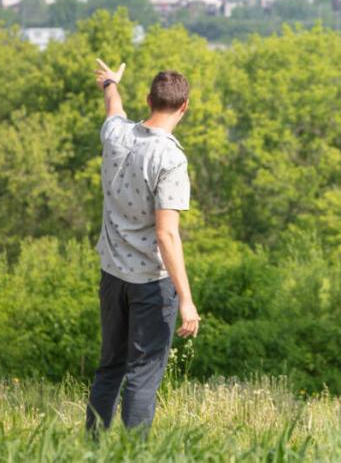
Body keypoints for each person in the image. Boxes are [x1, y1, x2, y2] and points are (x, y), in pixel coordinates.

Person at [86, 59, 201, 434]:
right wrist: (185, 298)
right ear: (184, 106)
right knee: (143, 374)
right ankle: (135, 453)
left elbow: (114, 110)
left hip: (112, 274)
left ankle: (91, 449)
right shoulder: (170, 158)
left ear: (148, 98)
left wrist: (110, 84)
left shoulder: (117, 135)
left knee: (110, 367)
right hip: (151, 283)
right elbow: (167, 234)